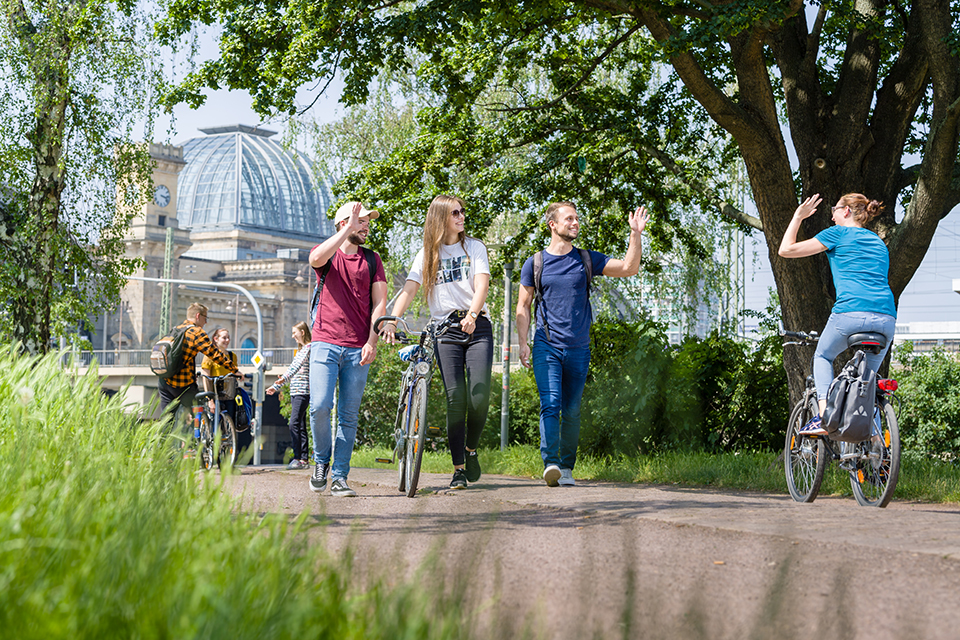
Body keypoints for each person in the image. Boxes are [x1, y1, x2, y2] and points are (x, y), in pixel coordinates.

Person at [516, 202, 649, 487]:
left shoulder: (587, 259)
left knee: (572, 409)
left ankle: (566, 468)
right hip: (546, 344)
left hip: (578, 347)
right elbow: (523, 305)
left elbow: (629, 268)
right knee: (550, 404)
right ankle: (551, 463)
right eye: (569, 218)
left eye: (577, 218)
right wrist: (522, 342)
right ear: (553, 224)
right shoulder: (535, 263)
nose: (576, 222)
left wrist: (635, 234)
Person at [381, 194, 493, 490]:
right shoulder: (427, 255)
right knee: (456, 399)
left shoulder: (474, 247)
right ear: (441, 218)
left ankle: (471, 449)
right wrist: (392, 318)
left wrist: (471, 314)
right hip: (445, 330)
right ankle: (458, 468)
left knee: (479, 396)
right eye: (455, 212)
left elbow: (482, 283)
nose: (461, 216)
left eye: (462, 211)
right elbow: (409, 289)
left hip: (477, 325)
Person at [778, 193, 896, 435]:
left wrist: (797, 217)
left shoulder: (837, 234)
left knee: (822, 356)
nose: (831, 217)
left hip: (850, 314)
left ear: (845, 211)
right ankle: (877, 448)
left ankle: (823, 417)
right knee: (867, 383)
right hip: (886, 318)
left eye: (834, 210)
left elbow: (786, 250)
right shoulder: (877, 242)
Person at [307, 201, 387, 497]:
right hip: (325, 343)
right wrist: (347, 231)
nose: (366, 227)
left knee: (348, 416)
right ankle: (320, 461)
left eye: (367, 222)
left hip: (357, 348)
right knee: (319, 407)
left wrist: (372, 340)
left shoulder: (372, 260)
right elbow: (315, 258)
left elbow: (380, 303)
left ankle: (340, 475)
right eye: (361, 221)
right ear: (344, 224)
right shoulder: (328, 256)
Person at [158, 303, 240, 419]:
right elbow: (214, 354)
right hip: (183, 384)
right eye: (205, 318)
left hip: (164, 382)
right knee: (198, 415)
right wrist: (234, 370)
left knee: (166, 421)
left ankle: (163, 437)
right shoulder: (196, 332)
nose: (205, 322)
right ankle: (197, 435)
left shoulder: (175, 330)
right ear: (198, 316)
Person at [266, 322, 312, 470]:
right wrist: (276, 386)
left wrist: (281, 380)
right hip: (296, 392)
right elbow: (292, 372)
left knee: (294, 424)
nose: (293, 336)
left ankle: (298, 458)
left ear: (303, 332)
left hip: (302, 392)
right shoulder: (300, 350)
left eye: (294, 333)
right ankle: (304, 459)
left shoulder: (308, 348)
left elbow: (294, 367)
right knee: (300, 425)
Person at [200, 327, 239, 427]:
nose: (227, 340)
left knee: (231, 423)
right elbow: (206, 378)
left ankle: (229, 440)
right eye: (224, 338)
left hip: (228, 394)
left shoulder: (232, 356)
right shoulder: (209, 356)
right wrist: (210, 400)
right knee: (215, 423)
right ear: (216, 339)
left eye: (228, 338)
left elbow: (234, 373)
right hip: (215, 395)